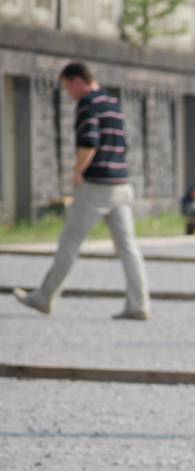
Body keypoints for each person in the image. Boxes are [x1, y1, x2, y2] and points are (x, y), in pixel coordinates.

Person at [13, 61, 149, 321]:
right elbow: (124, 144)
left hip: (97, 184)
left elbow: (89, 141)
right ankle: (139, 303)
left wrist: (77, 171)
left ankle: (44, 296)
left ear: (78, 81)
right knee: (128, 247)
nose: (68, 93)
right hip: (121, 183)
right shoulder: (113, 104)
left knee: (69, 242)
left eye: (67, 87)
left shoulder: (88, 104)